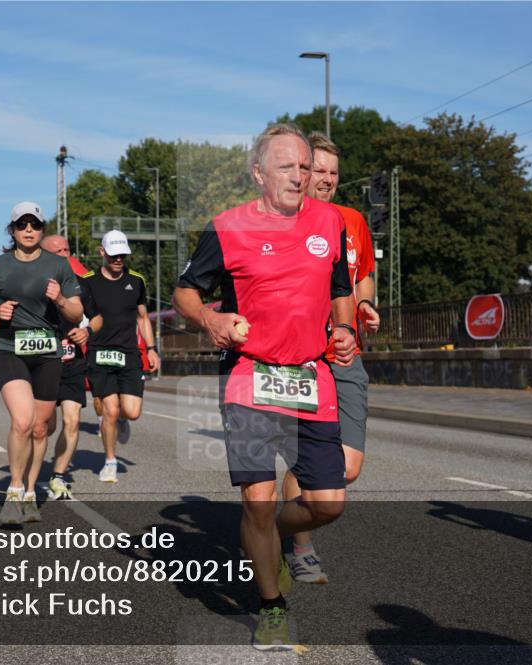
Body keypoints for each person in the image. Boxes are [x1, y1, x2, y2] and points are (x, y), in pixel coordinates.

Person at [173, 123, 356, 650]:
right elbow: (185, 292)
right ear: (259, 174)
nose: (299, 177)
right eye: (287, 167)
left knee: (329, 503)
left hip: (311, 376)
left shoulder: (329, 222)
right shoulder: (226, 227)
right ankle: (271, 604)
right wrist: (211, 320)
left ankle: (270, 536)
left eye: (305, 167)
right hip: (251, 374)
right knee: (257, 497)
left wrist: (342, 329)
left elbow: (340, 287)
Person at [281, 132, 381, 584]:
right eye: (317, 170)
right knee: (309, 468)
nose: (325, 180)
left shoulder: (353, 220)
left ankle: (268, 528)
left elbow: (362, 279)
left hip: (344, 355)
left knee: (348, 469)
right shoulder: (285, 219)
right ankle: (297, 546)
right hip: (302, 358)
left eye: (332, 173)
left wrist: (364, 306)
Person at [0, 202, 84, 525]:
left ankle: (31, 491)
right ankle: (14, 490)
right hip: (10, 349)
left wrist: (61, 301)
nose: (28, 230)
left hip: (48, 353)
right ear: (12, 230)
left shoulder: (59, 266)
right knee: (22, 421)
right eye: (21, 225)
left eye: (34, 224)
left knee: (40, 428)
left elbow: (76, 312)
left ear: (41, 228)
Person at [81, 230, 159, 483]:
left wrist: (151, 347)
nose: (118, 260)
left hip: (128, 353)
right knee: (110, 412)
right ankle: (110, 461)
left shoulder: (136, 280)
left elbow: (143, 317)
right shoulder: (87, 281)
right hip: (99, 352)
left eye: (122, 255)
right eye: (114, 255)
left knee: (131, 412)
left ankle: (124, 422)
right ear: (102, 252)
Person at [41, 234, 100, 500]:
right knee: (44, 426)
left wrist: (87, 331)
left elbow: (98, 318)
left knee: (72, 421)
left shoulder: (81, 285)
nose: (65, 254)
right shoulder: (33, 283)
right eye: (58, 251)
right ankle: (30, 470)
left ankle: (59, 476)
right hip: (41, 362)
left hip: (73, 361)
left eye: (67, 249)